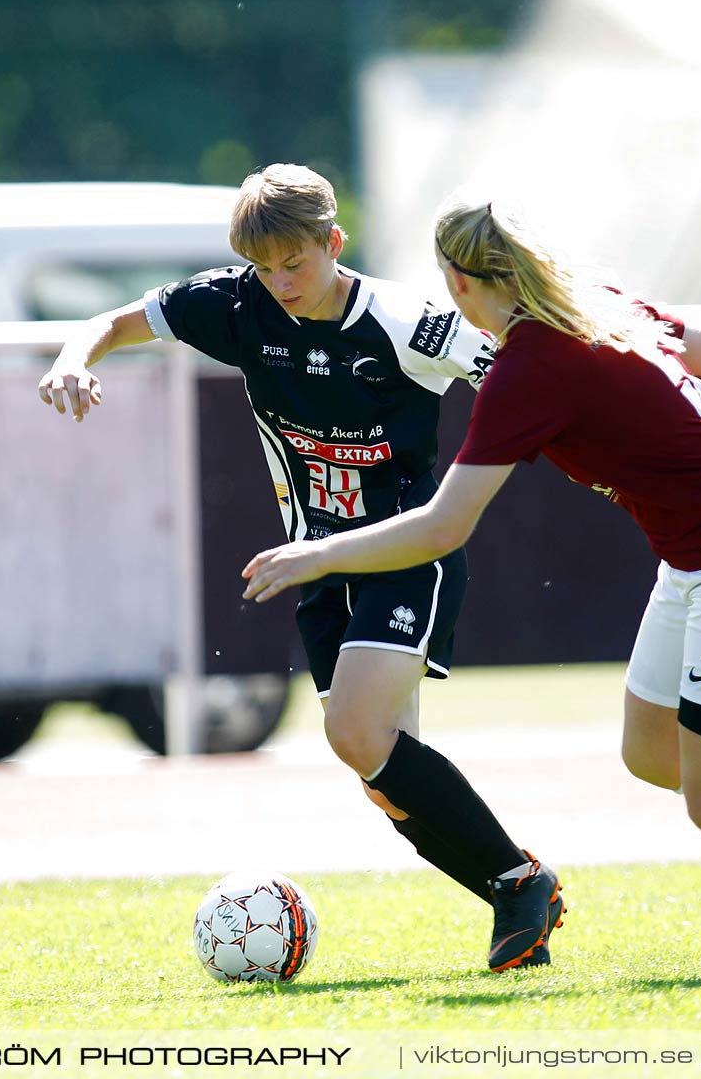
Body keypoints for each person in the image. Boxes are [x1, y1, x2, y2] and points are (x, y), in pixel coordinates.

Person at [241, 196, 701, 974]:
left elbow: (445, 525)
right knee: (653, 750)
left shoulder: (532, 364)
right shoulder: (588, 305)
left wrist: (318, 555)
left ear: (460, 285)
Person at [38, 165, 564, 973]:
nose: (281, 283)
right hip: (311, 566)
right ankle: (515, 889)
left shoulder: (406, 321)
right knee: (381, 774)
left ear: (333, 242)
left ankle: (520, 883)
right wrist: (77, 356)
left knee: (356, 732)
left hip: (402, 553)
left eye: (297, 263)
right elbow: (114, 322)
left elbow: (520, 373)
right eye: (265, 267)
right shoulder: (237, 303)